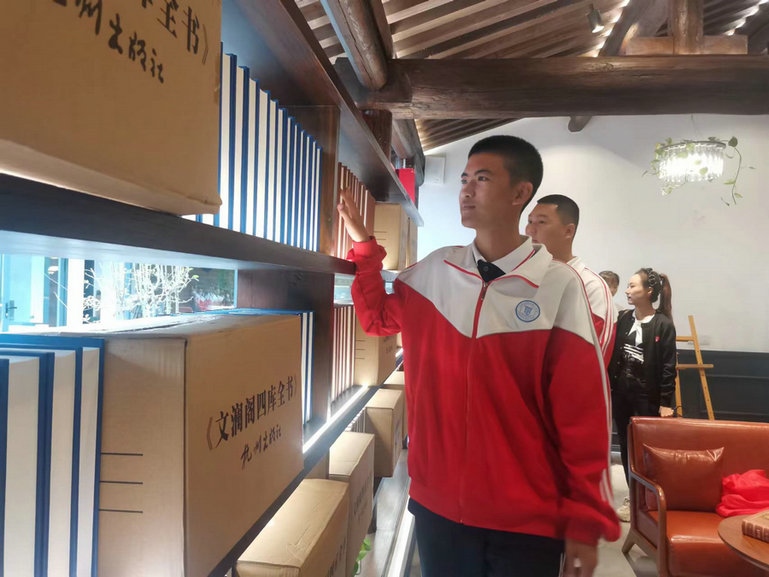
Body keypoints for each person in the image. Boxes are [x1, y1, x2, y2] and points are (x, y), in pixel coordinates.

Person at [337, 135, 620, 577]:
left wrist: (585, 517)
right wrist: (363, 247)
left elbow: (583, 415)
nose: (466, 190)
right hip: (438, 506)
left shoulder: (559, 287)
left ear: (520, 193)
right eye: (464, 179)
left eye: (482, 179)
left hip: (527, 518)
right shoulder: (433, 273)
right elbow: (376, 319)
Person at [608, 268, 676, 522]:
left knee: (646, 450)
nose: (627, 291)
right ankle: (633, 497)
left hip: (648, 398)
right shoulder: (624, 318)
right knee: (627, 446)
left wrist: (666, 402)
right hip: (621, 394)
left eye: (632, 286)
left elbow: (668, 366)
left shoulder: (663, 324)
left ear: (648, 291)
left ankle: (650, 497)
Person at [525, 195, 615, 365]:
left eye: (541, 222)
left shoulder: (591, 286)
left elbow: (595, 359)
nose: (530, 230)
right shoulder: (524, 279)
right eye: (529, 221)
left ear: (568, 231)